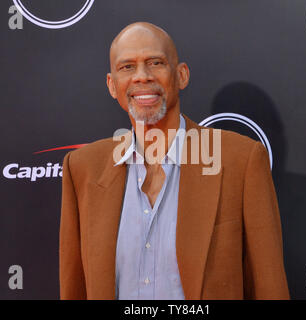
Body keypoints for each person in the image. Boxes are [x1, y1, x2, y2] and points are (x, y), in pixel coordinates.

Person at [59, 22, 290, 300]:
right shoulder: (82, 168)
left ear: (181, 75)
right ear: (112, 85)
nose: (141, 77)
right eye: (127, 67)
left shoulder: (240, 160)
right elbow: (74, 289)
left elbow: (269, 287)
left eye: (155, 63)